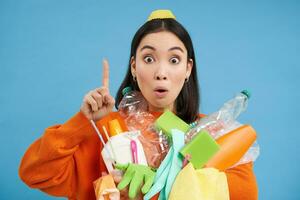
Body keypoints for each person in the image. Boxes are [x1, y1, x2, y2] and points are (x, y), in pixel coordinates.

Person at [19, 10, 258, 200]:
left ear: (187, 69)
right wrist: (84, 122)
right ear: (134, 67)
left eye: (174, 60)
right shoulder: (104, 131)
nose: (161, 72)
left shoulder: (211, 131)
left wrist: (157, 185)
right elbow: (35, 173)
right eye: (149, 59)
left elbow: (246, 194)